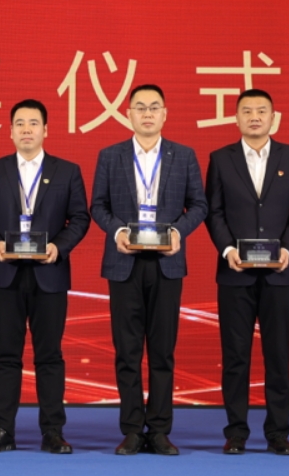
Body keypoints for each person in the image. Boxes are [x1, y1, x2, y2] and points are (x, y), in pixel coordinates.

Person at [90, 84, 207, 456]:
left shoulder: (183, 155)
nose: (147, 113)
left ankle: (158, 430)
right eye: (140, 107)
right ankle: (131, 429)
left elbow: (199, 205)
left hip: (166, 262)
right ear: (128, 114)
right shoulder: (110, 156)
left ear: (165, 114)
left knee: (162, 351)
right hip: (124, 262)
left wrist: (177, 232)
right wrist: (118, 231)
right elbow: (98, 206)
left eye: (154, 107)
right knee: (126, 351)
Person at [0, 100, 90, 454]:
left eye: (33, 123)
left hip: (49, 274)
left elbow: (79, 218)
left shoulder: (67, 171)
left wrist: (58, 247)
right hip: (5, 274)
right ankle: (1, 431)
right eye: (19, 123)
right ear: (10, 131)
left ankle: (52, 432)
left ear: (45, 130)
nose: (26, 129)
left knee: (49, 356)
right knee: (6, 355)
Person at [205, 89, 289, 455]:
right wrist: (228, 249)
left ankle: (278, 433)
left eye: (261, 111)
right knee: (235, 356)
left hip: (279, 272)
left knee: (278, 355)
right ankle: (236, 432)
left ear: (273, 117)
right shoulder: (221, 159)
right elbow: (214, 211)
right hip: (234, 272)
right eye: (247, 111)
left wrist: (288, 250)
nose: (254, 117)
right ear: (235, 118)